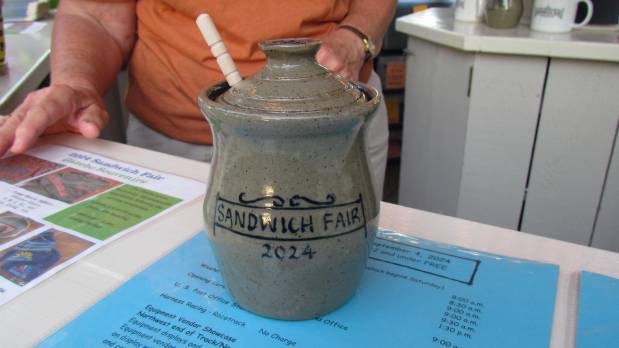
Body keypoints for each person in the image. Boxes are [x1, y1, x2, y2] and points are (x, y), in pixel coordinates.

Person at [0, 0, 396, 198]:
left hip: (332, 129)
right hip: (172, 140)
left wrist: (355, 36)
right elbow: (96, 11)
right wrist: (75, 82)